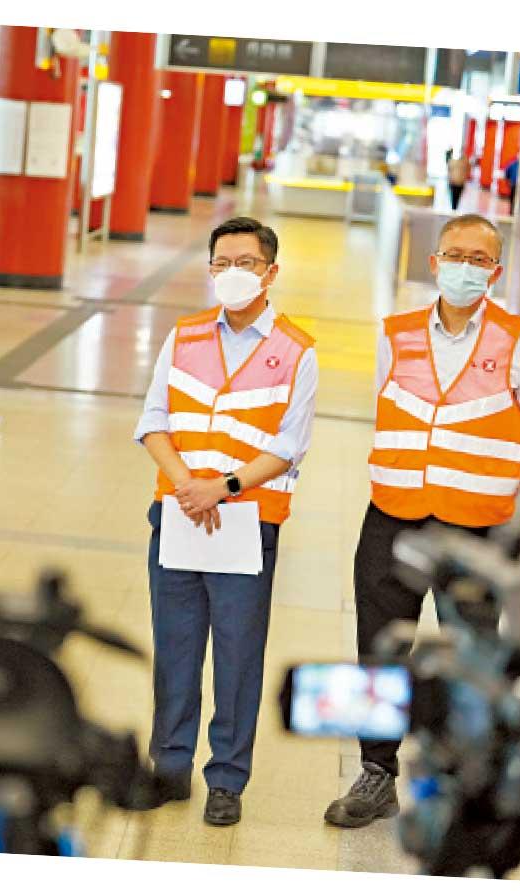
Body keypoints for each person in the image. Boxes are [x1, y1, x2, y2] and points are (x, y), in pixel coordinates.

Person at [325, 213, 520, 828]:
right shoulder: (394, 334)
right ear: (434, 261)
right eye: (456, 254)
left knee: (472, 657)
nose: (466, 266)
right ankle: (376, 775)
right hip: (393, 517)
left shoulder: (518, 339)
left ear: (496, 272)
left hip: (474, 526)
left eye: (480, 258)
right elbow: (385, 408)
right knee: (379, 644)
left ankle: (463, 780)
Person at [134, 216, 319, 827]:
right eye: (221, 263)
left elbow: (290, 444)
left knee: (238, 655)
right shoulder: (183, 336)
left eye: (244, 263)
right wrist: (188, 486)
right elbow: (154, 418)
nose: (231, 274)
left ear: (271, 272)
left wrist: (225, 487)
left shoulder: (296, 350)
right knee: (176, 648)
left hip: (248, 523)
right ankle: (169, 765)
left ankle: (227, 779)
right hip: (179, 514)